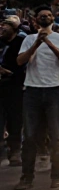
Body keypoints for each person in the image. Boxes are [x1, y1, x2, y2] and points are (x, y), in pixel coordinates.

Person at [14, 6, 59, 190]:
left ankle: (57, 176)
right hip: (32, 90)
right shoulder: (29, 39)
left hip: (54, 90)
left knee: (56, 136)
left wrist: (49, 44)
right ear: (35, 20)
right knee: (30, 135)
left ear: (52, 19)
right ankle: (26, 177)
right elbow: (20, 61)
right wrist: (37, 44)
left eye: (48, 15)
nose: (45, 18)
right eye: (42, 16)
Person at [0, 15, 26, 166]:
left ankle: (15, 151)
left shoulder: (21, 43)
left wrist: (8, 72)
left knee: (15, 120)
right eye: (2, 24)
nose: (2, 27)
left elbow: (23, 64)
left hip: (15, 87)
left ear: (15, 28)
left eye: (7, 25)